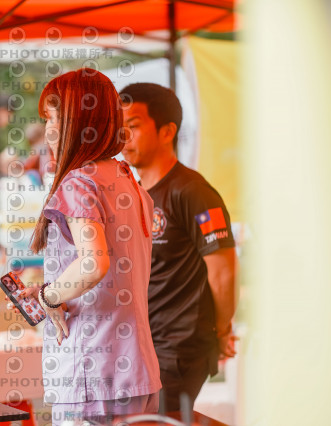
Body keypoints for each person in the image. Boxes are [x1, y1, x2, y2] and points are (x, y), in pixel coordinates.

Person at [11, 69, 161, 425]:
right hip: (135, 368)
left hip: (92, 372)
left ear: (77, 122)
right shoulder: (128, 180)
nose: (48, 130)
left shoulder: (79, 182)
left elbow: (93, 264)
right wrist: (55, 291)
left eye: (52, 118)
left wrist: (48, 296)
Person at [118, 82, 237, 412]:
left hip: (178, 349)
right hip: (141, 344)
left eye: (133, 126)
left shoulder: (193, 191)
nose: (124, 138)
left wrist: (221, 331)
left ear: (167, 131)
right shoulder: (134, 193)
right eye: (119, 128)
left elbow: (223, 273)